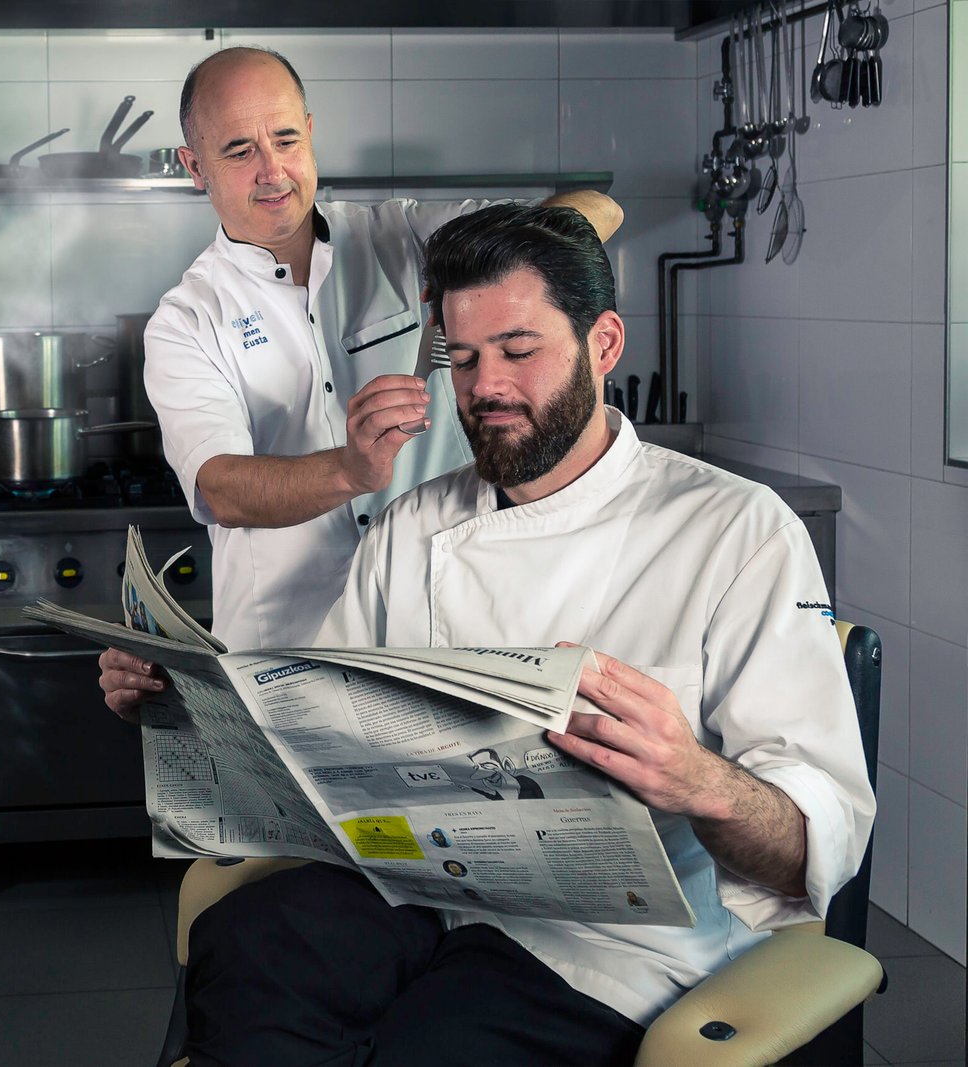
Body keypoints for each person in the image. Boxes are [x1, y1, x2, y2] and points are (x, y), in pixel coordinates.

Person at [178, 204, 875, 1065]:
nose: (486, 388)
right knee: (246, 943)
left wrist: (699, 780)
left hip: (615, 945)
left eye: (518, 350)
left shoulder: (738, 531)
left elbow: (816, 841)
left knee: (434, 1043)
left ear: (604, 343)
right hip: (423, 890)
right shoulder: (411, 526)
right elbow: (319, 739)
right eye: (464, 359)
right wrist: (186, 705)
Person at [99, 46, 622, 712]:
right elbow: (221, 487)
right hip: (287, 659)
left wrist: (485, 270)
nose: (272, 171)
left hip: (445, 642)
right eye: (239, 151)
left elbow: (599, 210)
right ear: (194, 166)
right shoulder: (187, 320)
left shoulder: (403, 237)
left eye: (286, 139)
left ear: (310, 133)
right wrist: (350, 470)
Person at [466, 746, 544, 800]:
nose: (482, 772)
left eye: (486, 765)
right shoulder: (496, 794)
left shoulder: (525, 782)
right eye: (476, 768)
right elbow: (485, 794)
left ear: (506, 765)